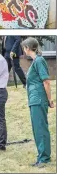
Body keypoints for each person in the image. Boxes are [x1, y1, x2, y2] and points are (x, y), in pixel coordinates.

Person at [21, 37, 54, 168]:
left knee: (40, 128)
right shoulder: (36, 61)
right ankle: (41, 156)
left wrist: (49, 100)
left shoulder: (39, 61)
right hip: (34, 99)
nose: (23, 50)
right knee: (37, 129)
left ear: (28, 48)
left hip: (39, 99)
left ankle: (44, 158)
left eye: (24, 48)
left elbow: (46, 81)